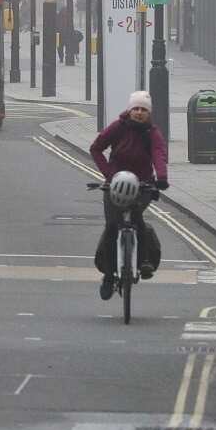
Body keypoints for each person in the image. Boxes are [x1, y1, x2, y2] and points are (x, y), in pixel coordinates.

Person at [89, 91, 167, 301]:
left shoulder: (153, 133)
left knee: (137, 221)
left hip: (142, 185)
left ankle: (144, 262)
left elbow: (159, 154)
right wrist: (109, 174)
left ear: (148, 113)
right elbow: (96, 148)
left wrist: (161, 177)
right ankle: (108, 275)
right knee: (112, 226)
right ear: (130, 110)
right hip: (115, 186)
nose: (139, 113)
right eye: (136, 108)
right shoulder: (118, 127)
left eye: (144, 110)